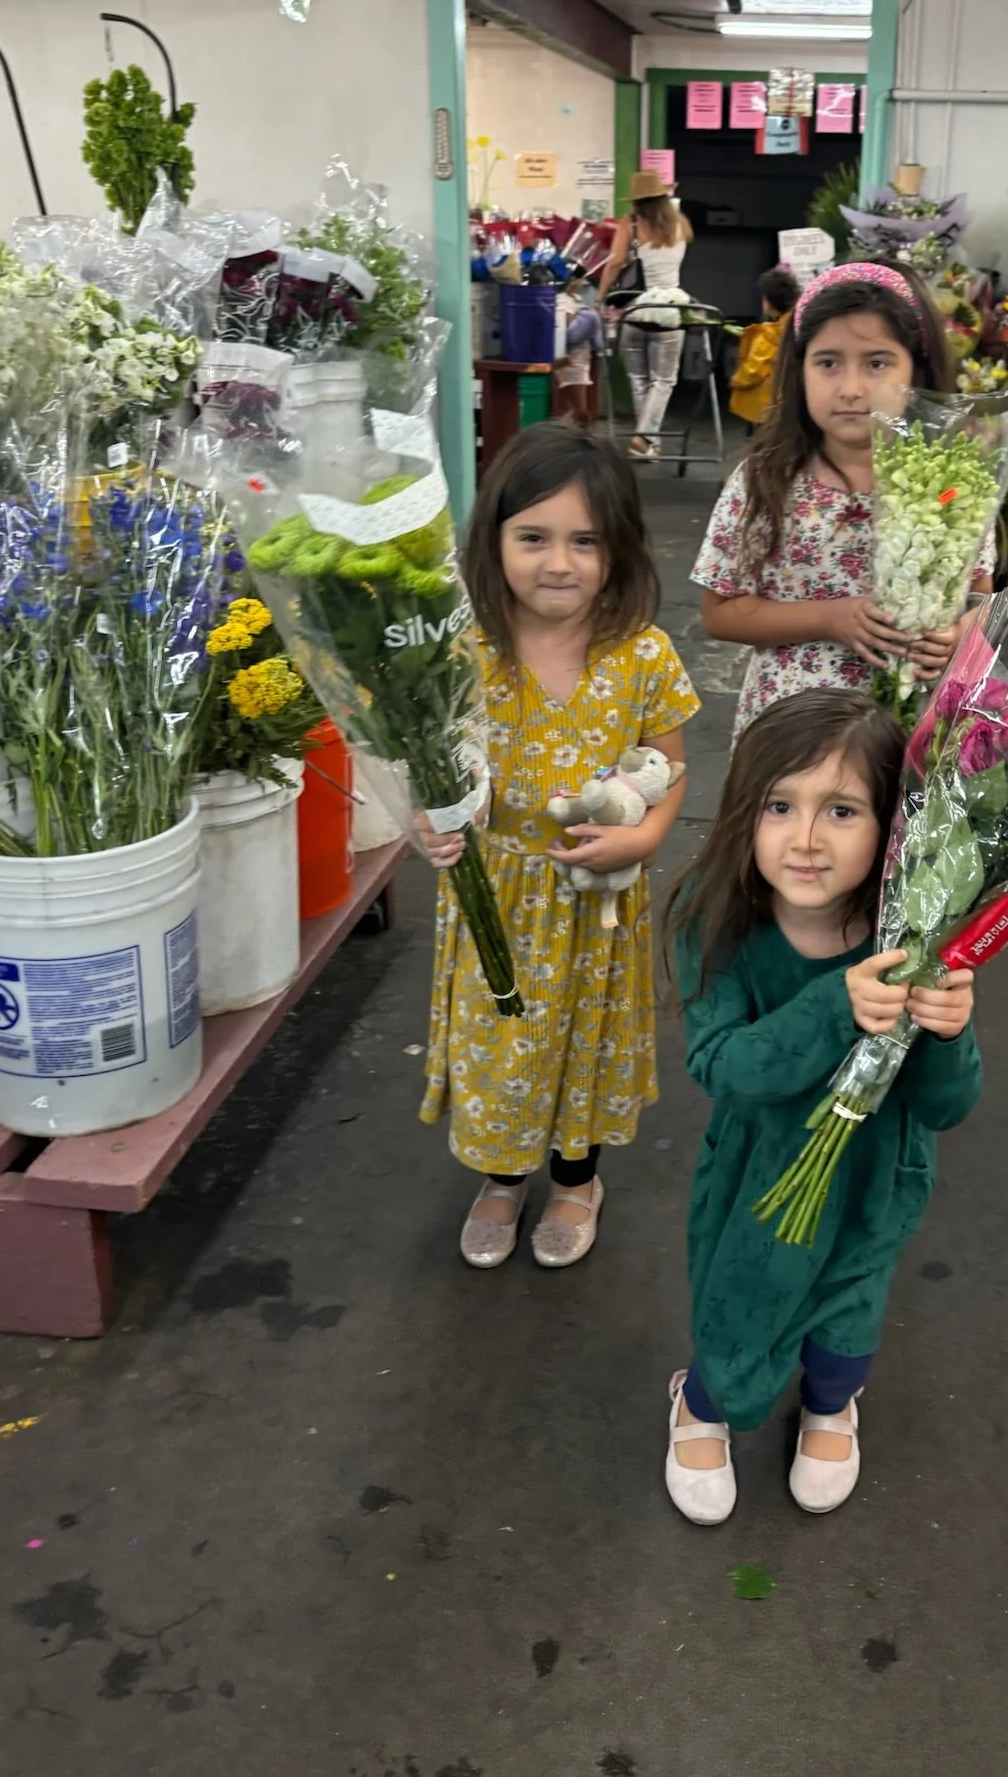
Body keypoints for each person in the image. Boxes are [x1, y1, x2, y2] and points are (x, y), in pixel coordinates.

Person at [662, 689, 979, 1523]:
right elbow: (724, 1067)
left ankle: (832, 1402)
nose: (804, 839)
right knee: (742, 1304)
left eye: (840, 809)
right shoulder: (719, 926)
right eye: (778, 805)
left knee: (849, 1311)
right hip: (757, 1177)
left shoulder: (915, 935)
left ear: (893, 830)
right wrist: (834, 1006)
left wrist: (948, 1034)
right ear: (742, 815)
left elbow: (946, 1109)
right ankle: (703, 1401)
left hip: (876, 1179)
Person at [419, 423, 700, 1270]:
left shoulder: (643, 654)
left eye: (586, 541)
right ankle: (503, 1178)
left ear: (618, 551)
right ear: (492, 539)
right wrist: (425, 827)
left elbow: (672, 771)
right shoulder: (462, 651)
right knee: (499, 1043)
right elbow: (423, 764)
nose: (559, 562)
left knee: (590, 1041)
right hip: (493, 898)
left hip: (597, 905)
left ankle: (577, 1180)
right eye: (533, 537)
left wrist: (642, 837)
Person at [692, 259, 968, 739]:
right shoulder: (764, 479)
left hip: (907, 729)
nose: (852, 389)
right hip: (791, 730)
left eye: (878, 363)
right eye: (827, 363)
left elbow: (979, 594)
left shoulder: (945, 482)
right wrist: (830, 617)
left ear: (916, 369)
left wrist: (958, 635)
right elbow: (719, 611)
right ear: (798, 370)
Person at [600, 170, 695, 463]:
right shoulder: (680, 223)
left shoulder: (630, 225)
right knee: (663, 379)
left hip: (637, 309)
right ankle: (645, 439)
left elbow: (615, 262)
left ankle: (646, 441)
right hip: (671, 308)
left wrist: (602, 296)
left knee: (638, 376)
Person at [729, 266, 801, 428]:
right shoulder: (801, 325)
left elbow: (754, 369)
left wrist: (736, 380)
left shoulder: (769, 335)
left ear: (768, 303)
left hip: (768, 405)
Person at [554, 273, 603, 427]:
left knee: (576, 410)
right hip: (573, 360)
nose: (582, 281)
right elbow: (568, 332)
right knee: (579, 411)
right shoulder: (563, 300)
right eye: (579, 278)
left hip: (580, 358)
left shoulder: (575, 299)